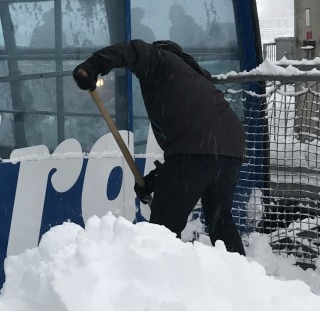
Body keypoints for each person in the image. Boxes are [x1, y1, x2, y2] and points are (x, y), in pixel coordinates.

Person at [72, 39, 245, 255]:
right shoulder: (195, 78)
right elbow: (195, 146)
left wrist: (93, 65)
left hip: (196, 151)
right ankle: (241, 281)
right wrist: (157, 179)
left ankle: (160, 281)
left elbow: (134, 49)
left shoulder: (161, 60)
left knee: (162, 229)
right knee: (221, 223)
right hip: (230, 150)